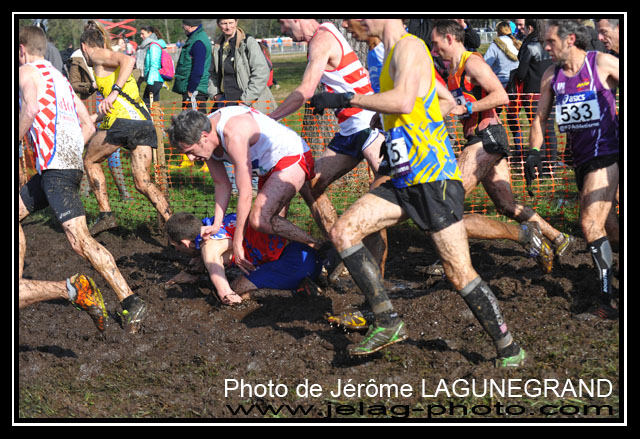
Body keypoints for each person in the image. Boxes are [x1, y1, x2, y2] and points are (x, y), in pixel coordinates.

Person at [310, 18, 526, 367]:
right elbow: (443, 100)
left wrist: (349, 98)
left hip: (432, 178)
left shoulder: (409, 47)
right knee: (343, 232)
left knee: (458, 273)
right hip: (402, 176)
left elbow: (402, 100)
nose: (348, 25)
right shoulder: (387, 55)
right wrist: (400, 128)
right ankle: (387, 321)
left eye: (351, 18)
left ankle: (509, 347)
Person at [18, 25, 147, 334]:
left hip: (56, 168)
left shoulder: (26, 73)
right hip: (62, 165)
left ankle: (130, 299)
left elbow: (31, 108)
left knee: (80, 241)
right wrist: (70, 152)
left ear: (21, 50)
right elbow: (87, 125)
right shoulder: (60, 78)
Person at [430, 19, 571, 272]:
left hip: (487, 138)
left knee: (447, 199)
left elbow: (501, 96)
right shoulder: (452, 71)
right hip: (479, 139)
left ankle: (450, 259)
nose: (433, 49)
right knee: (506, 205)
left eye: (435, 43)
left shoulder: (472, 63)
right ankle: (558, 238)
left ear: (449, 39)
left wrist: (468, 107)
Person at [269, 19, 389, 279]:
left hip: (367, 124)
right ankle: (343, 250)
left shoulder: (322, 39)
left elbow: (305, 90)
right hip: (349, 131)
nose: (283, 30)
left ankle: (378, 277)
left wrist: (271, 118)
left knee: (382, 196)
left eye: (283, 23)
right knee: (310, 186)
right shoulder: (319, 37)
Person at [525, 19, 619, 320]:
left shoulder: (601, 63)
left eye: (551, 42)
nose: (546, 47)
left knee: (589, 223)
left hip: (606, 154)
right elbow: (539, 118)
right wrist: (534, 153)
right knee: (611, 231)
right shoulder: (551, 75)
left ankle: (606, 302)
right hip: (580, 160)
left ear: (571, 40)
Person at [167, 106, 322, 274]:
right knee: (267, 235)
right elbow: (222, 184)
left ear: (204, 137)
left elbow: (245, 192)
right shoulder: (206, 142)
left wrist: (237, 241)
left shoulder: (233, 134)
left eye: (190, 151)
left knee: (260, 219)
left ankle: (319, 247)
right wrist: (217, 224)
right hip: (267, 168)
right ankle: (301, 263)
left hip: (291, 156)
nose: (191, 159)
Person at [80, 20, 172, 234]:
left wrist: (113, 92)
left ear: (84, 46)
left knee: (90, 160)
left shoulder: (97, 55)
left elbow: (129, 60)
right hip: (142, 122)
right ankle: (173, 224)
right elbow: (117, 104)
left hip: (122, 122)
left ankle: (106, 215)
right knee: (142, 182)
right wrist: (93, 117)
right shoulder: (107, 62)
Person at [165, 211, 322, 305]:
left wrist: (227, 296)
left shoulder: (209, 246)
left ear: (185, 243)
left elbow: (220, 281)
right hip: (305, 253)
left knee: (237, 288)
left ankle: (298, 292)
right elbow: (202, 256)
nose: (176, 251)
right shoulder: (213, 225)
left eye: (174, 246)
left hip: (296, 264)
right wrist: (191, 272)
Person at [513, 19, 558, 171]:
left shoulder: (529, 46)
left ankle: (542, 163)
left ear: (530, 28)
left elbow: (521, 73)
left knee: (538, 127)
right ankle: (552, 163)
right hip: (551, 89)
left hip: (533, 93)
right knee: (550, 128)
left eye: (523, 27)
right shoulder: (550, 44)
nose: (522, 30)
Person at [210, 19, 277, 114]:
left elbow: (261, 73)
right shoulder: (216, 47)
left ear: (236, 22)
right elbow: (210, 74)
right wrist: (216, 95)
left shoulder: (248, 42)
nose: (228, 27)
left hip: (251, 103)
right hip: (225, 104)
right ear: (218, 24)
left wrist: (246, 100)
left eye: (231, 23)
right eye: (224, 23)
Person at [173, 19, 211, 113]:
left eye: (183, 25)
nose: (182, 27)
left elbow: (198, 69)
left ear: (189, 26)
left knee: (194, 120)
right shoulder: (195, 38)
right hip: (193, 89)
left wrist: (191, 89)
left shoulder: (198, 41)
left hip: (195, 90)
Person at [138, 25, 167, 107]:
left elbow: (154, 64)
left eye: (143, 34)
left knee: (148, 104)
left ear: (149, 33)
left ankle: (154, 115)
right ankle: (156, 115)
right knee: (153, 104)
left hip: (154, 78)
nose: (141, 36)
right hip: (154, 78)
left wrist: (150, 81)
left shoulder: (153, 45)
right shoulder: (150, 45)